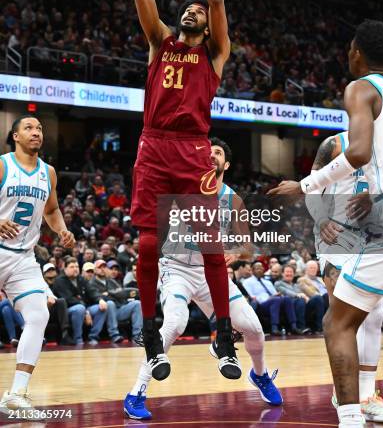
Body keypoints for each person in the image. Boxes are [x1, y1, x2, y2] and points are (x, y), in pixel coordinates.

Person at [270, 20, 383, 427]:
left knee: (338, 322)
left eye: (350, 50)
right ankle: (365, 399)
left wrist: (303, 184)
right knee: (365, 312)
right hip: (374, 217)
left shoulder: (360, 88)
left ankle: (350, 417)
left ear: (357, 53)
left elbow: (360, 152)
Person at [130, 0, 237, 380]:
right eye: (188, 8)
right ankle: (151, 332)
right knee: (149, 243)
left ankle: (224, 335)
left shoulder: (214, 53)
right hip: (154, 144)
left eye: (197, 11)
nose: (192, 10)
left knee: (212, 248)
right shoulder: (160, 41)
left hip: (194, 148)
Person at [124, 138, 282, 420]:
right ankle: (136, 392)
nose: (211, 156)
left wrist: (236, 251)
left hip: (210, 273)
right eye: (207, 152)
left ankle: (260, 375)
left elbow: (246, 245)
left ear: (227, 164)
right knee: (174, 323)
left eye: (218, 153)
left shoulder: (233, 199)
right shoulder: (177, 188)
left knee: (254, 328)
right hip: (176, 269)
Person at [307, 130, 383, 422]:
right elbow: (312, 190)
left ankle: (366, 395)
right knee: (343, 312)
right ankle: (346, 392)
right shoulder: (334, 144)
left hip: (373, 236)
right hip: (335, 234)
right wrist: (321, 219)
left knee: (374, 314)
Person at [0, 116, 75, 412]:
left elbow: (52, 209)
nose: (36, 132)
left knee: (37, 315)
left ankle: (16, 393)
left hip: (23, 258)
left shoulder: (49, 172)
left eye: (39, 128)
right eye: (29, 128)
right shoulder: (3, 165)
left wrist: (62, 229)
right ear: (15, 136)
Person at [53, 257, 108, 345]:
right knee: (79, 308)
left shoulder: (80, 279)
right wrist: (86, 311)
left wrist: (100, 300)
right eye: (72, 267)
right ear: (65, 268)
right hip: (65, 311)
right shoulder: (60, 281)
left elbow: (92, 291)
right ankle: (78, 339)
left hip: (83, 307)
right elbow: (69, 299)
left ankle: (93, 337)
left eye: (77, 267)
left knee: (101, 307)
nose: (75, 269)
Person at [88, 260, 142, 344]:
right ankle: (114, 335)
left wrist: (109, 294)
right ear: (95, 270)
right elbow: (95, 296)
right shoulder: (91, 283)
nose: (102, 269)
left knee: (137, 304)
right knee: (110, 303)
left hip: (118, 309)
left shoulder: (111, 281)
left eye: (104, 267)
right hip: (103, 311)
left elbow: (122, 293)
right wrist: (111, 295)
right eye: (100, 267)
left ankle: (137, 336)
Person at [243, 261, 304, 336]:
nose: (259, 270)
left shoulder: (267, 282)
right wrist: (271, 298)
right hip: (261, 303)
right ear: (252, 270)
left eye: (261, 268)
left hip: (273, 301)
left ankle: (293, 326)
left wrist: (277, 295)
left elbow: (274, 294)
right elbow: (251, 296)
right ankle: (274, 328)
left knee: (287, 299)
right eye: (257, 268)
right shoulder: (247, 282)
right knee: (275, 300)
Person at [42, 263, 74, 345]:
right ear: (44, 274)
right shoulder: (41, 284)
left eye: (53, 270)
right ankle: (65, 333)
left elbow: (65, 298)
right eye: (48, 271)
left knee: (62, 301)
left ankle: (65, 334)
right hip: (42, 309)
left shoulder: (60, 283)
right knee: (61, 301)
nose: (51, 272)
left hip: (56, 310)